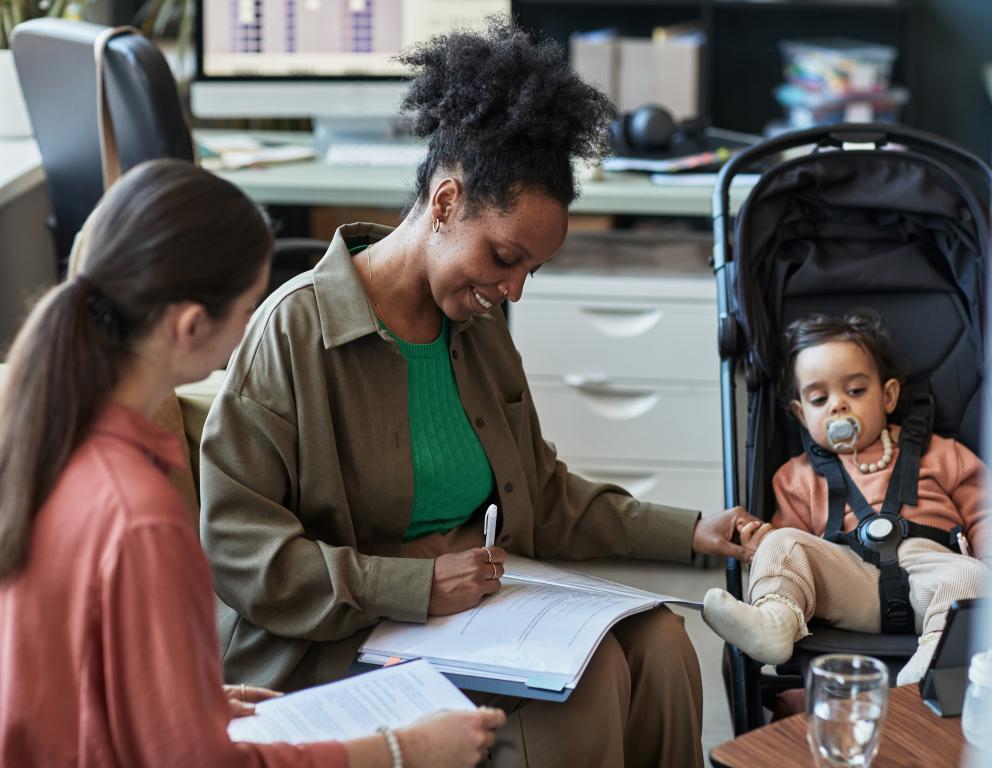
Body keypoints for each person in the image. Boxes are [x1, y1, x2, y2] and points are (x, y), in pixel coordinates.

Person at [198, 18, 758, 768]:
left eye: (531, 271)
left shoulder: (478, 323)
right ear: (444, 202)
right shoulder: (294, 332)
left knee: (661, 644)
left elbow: (540, 494)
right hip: (333, 640)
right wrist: (414, 585)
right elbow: (242, 554)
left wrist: (691, 530)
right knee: (583, 695)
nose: (513, 288)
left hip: (470, 611)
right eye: (504, 256)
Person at [0, 160, 505, 768]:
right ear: (191, 327)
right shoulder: (142, 518)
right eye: (245, 312)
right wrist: (401, 750)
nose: (251, 329)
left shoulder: (47, 449)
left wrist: (185, 698)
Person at [702, 310, 992, 686]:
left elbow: (986, 514)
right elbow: (798, 552)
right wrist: (763, 544)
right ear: (801, 415)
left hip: (932, 572)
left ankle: (935, 655)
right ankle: (776, 619)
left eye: (855, 391)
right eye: (819, 398)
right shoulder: (796, 476)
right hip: (846, 581)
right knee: (782, 542)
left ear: (888, 395)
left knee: (974, 575)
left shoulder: (942, 453)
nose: (838, 405)